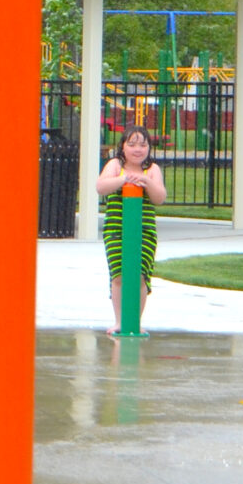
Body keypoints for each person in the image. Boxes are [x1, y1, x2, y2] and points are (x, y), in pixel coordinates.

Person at [96, 125, 167, 332]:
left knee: (139, 275)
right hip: (116, 229)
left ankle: (135, 320)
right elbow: (100, 187)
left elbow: (159, 197)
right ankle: (119, 321)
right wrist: (124, 179)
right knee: (118, 274)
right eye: (132, 144)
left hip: (144, 231)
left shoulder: (152, 170)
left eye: (143, 145)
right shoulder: (115, 164)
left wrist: (145, 181)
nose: (138, 149)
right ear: (123, 147)